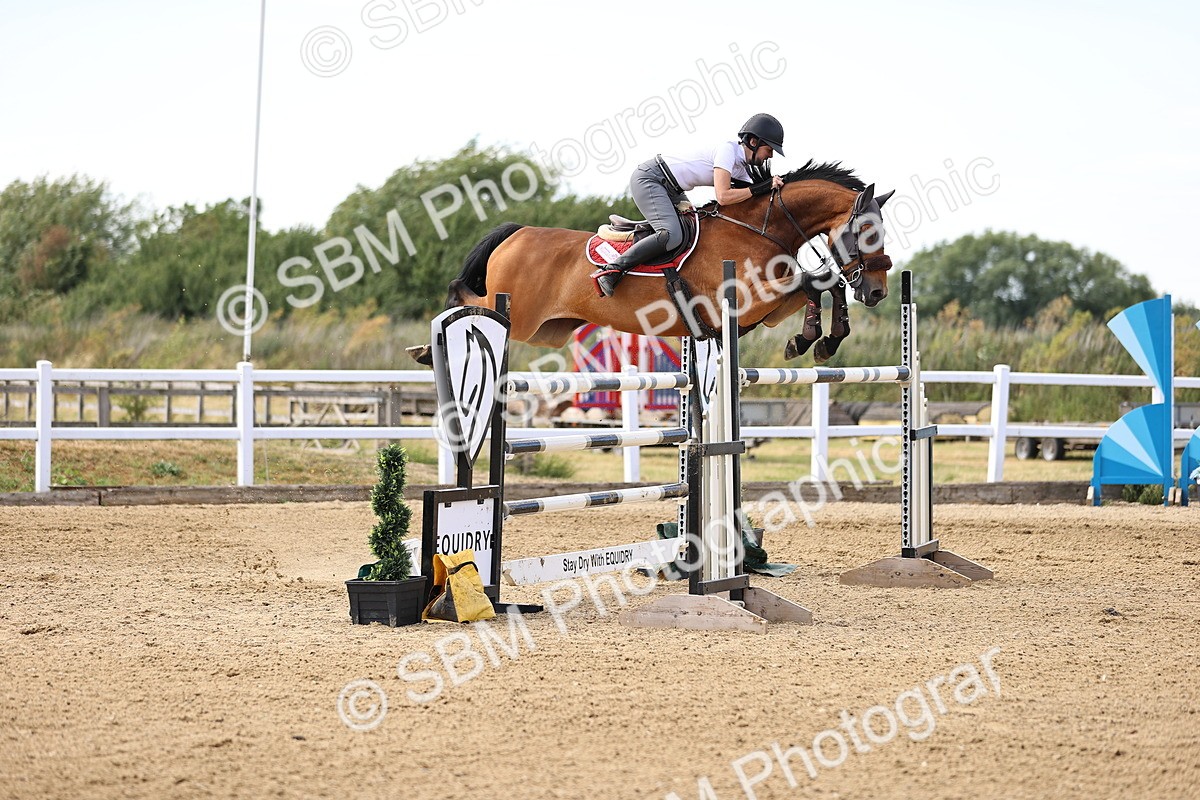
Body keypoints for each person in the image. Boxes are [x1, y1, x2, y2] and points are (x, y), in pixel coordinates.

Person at [596, 113, 787, 297]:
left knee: (696, 229)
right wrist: (762, 186)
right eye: (769, 150)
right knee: (671, 235)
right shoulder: (728, 150)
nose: (770, 156)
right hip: (650, 179)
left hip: (673, 190)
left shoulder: (741, 169)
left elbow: (751, 197)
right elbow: (723, 197)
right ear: (753, 142)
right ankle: (612, 270)